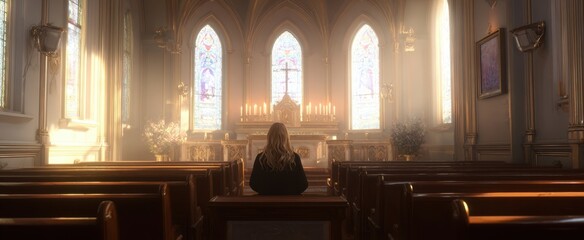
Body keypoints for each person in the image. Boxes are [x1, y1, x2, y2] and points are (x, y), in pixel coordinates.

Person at [249, 122, 308, 195]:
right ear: (286, 137)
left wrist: (267, 192)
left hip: (266, 202)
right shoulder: (294, 157)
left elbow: (253, 184)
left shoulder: (261, 158)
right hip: (290, 202)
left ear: (269, 137)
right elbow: (303, 185)